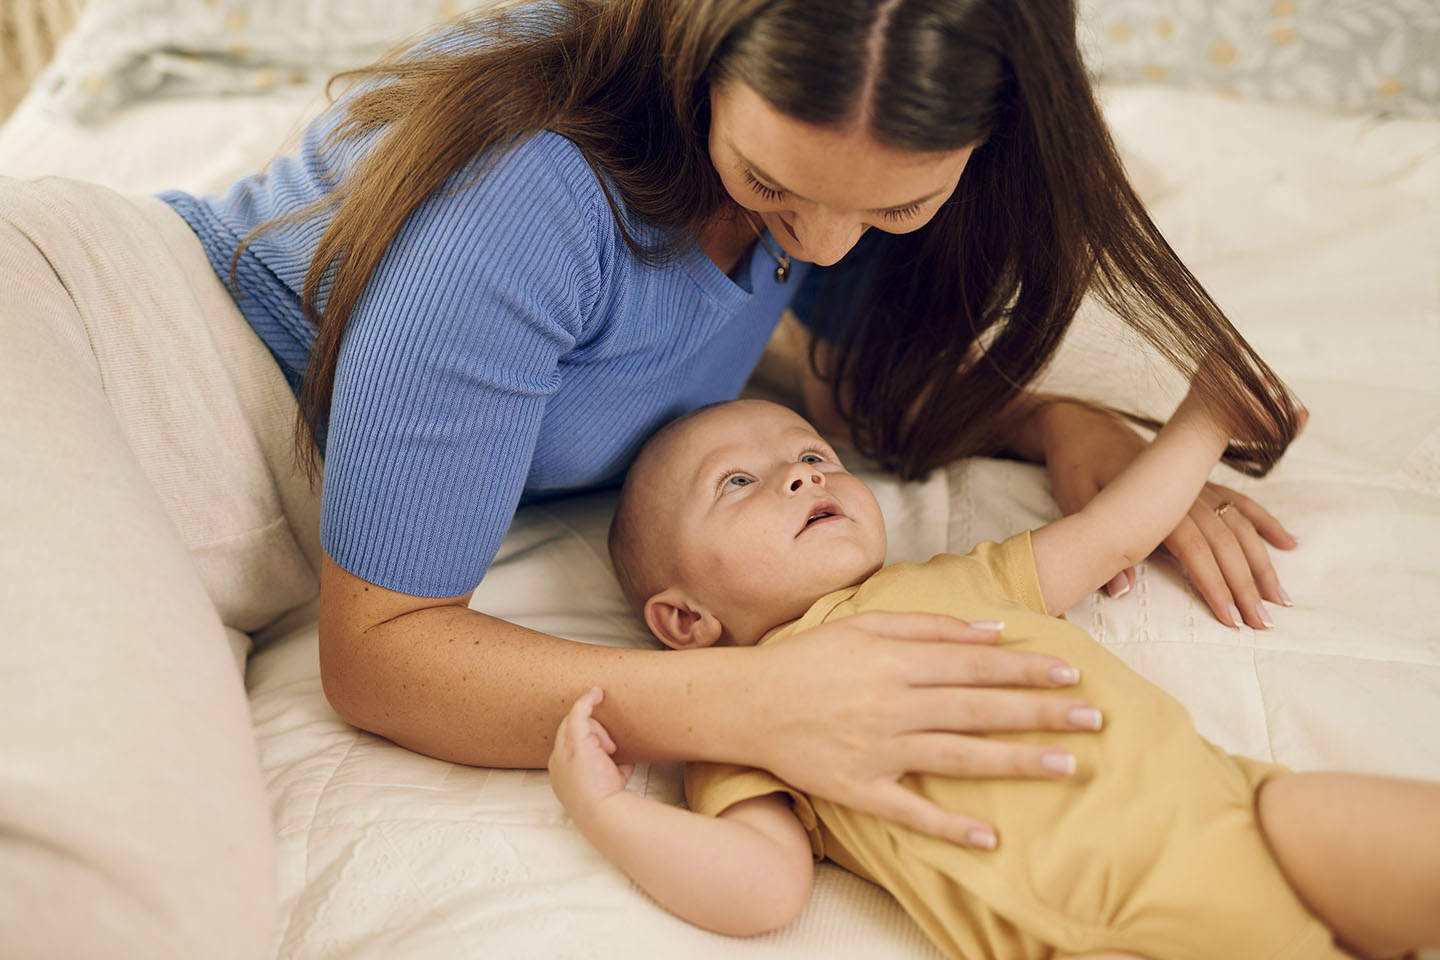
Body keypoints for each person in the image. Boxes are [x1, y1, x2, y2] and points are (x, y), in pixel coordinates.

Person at [1, 0, 1307, 956]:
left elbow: (810, 371)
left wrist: (1054, 424)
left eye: (896, 210)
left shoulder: (828, 169)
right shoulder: (538, 193)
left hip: (213, 517)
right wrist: (758, 696)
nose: (826, 238)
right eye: (773, 184)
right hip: (92, 350)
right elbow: (382, 652)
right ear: (703, 50)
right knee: (141, 907)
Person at [548, 396, 1440, 960]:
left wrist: (1204, 420)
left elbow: (1114, 534)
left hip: (1248, 818)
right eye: (738, 481)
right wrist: (609, 812)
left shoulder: (950, 582)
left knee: (1358, 820)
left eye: (814, 456)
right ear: (684, 623)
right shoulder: (740, 717)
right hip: (1102, 932)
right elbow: (761, 889)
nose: (798, 475)